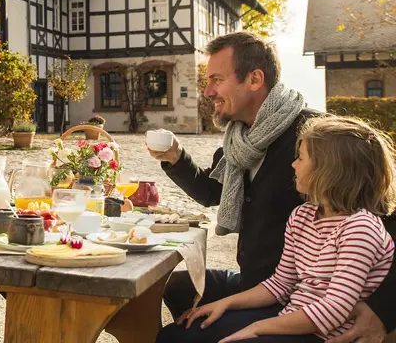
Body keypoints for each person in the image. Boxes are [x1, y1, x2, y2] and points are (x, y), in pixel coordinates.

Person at [150, 32, 396, 342]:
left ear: (254, 79)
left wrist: (383, 310)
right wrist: (175, 157)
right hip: (264, 283)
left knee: (177, 337)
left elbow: (383, 220)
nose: (208, 90)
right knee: (179, 287)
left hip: (300, 295)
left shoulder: (317, 139)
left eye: (216, 79)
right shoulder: (238, 139)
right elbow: (214, 192)